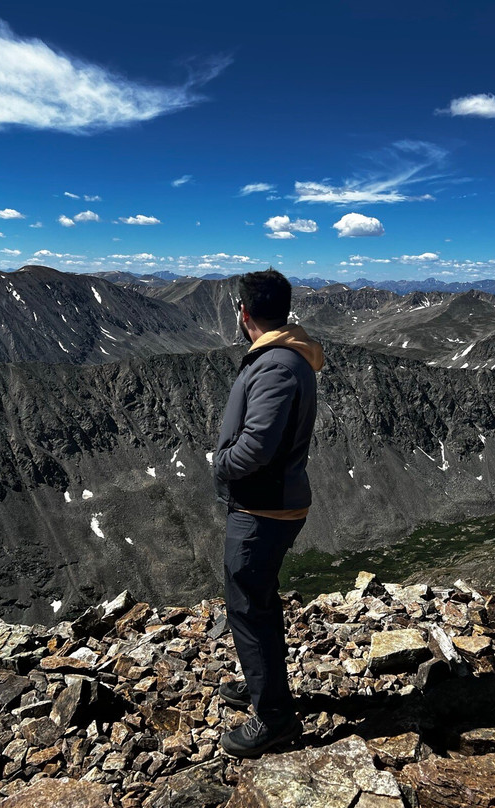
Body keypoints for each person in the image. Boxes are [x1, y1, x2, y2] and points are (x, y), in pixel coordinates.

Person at [212, 268, 325, 757]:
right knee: (256, 602)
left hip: (262, 508)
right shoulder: (284, 356)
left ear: (245, 314)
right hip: (268, 503)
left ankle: (274, 717)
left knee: (249, 607)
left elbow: (257, 443)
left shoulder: (277, 365)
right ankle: (263, 688)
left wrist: (222, 465)